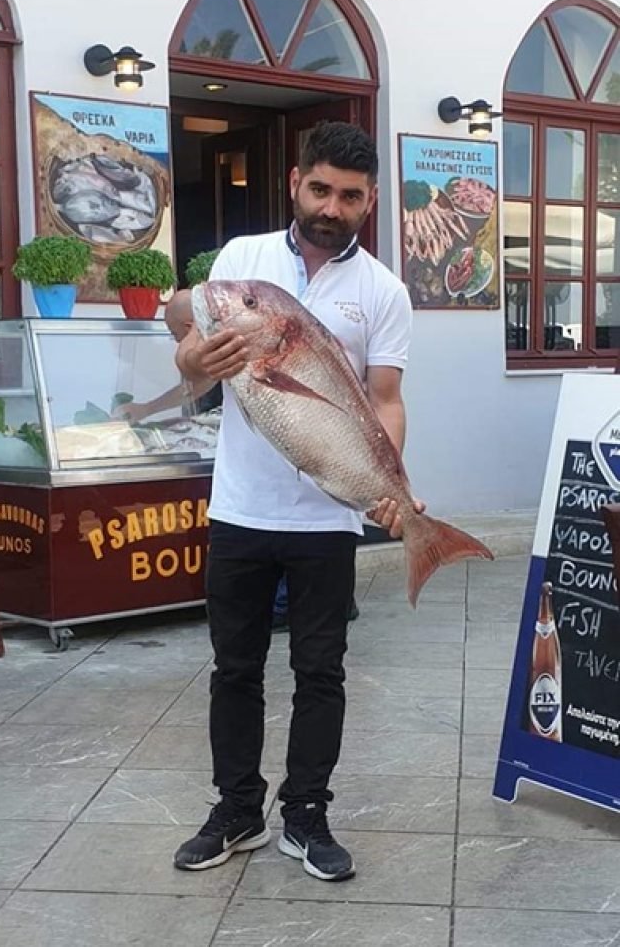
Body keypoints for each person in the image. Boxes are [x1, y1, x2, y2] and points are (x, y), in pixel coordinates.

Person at [173, 121, 418, 883]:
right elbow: (181, 320)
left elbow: (387, 400)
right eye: (320, 189)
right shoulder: (243, 261)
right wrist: (191, 357)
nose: (332, 207)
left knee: (321, 670)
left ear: (369, 200)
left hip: (327, 514)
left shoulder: (383, 289)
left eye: (349, 196)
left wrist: (391, 486)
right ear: (294, 183)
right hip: (241, 507)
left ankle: (305, 814)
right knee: (234, 667)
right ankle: (237, 808)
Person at [114, 290, 215, 423]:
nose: (177, 341)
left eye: (175, 334)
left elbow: (198, 385)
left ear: (189, 327)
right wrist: (145, 409)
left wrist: (146, 409)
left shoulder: (215, 341)